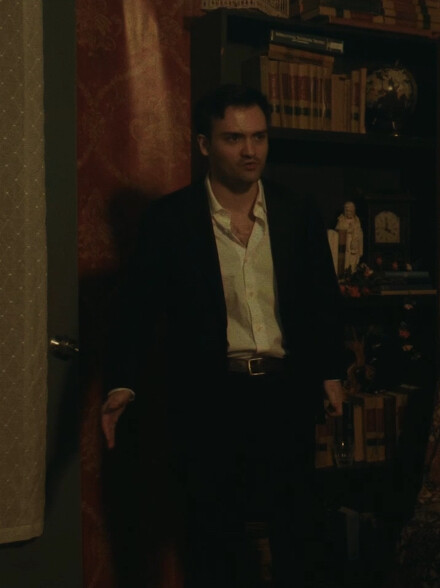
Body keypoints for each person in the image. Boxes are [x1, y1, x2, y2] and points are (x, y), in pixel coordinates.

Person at [100, 84, 347, 588]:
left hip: (285, 393)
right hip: (210, 400)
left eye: (259, 137)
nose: (250, 150)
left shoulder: (297, 211)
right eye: (234, 138)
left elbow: (322, 300)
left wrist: (331, 372)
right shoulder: (170, 220)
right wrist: (122, 383)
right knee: (216, 543)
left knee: (298, 536)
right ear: (204, 144)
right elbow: (136, 312)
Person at [335, 200, 364, 274]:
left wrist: (359, 247)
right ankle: (344, 273)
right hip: (344, 243)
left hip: (354, 245)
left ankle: (352, 273)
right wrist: (347, 230)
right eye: (347, 211)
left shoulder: (356, 221)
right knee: (345, 260)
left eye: (350, 211)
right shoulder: (341, 220)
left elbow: (360, 234)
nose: (348, 213)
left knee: (353, 260)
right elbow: (337, 231)